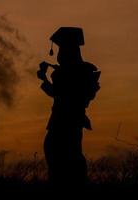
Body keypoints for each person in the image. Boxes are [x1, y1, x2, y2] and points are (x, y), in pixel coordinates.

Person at [37, 27, 100, 185]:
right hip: (70, 121)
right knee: (68, 157)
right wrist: (45, 79)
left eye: (62, 49)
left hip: (64, 121)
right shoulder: (82, 71)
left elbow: (58, 94)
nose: (59, 53)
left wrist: (44, 79)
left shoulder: (71, 72)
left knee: (62, 158)